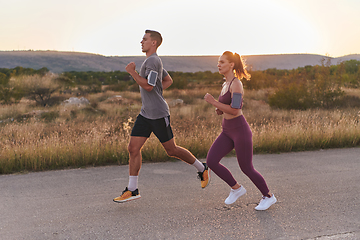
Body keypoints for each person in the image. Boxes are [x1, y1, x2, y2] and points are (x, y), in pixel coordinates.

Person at [113, 30, 210, 203]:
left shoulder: (153, 60)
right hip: (145, 114)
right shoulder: (153, 61)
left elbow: (149, 86)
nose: (141, 41)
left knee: (171, 150)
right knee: (133, 149)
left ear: (154, 43)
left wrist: (132, 73)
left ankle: (202, 167)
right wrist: (156, 91)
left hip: (158, 114)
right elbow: (167, 80)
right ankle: (133, 189)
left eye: (145, 39)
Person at [204, 51, 276, 211]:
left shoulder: (236, 84)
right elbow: (227, 108)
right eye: (218, 62)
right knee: (211, 161)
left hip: (240, 130)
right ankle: (236, 188)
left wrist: (214, 102)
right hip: (227, 130)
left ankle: (268, 196)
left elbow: (235, 110)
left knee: (247, 168)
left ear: (231, 65)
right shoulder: (225, 84)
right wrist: (219, 109)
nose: (219, 64)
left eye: (222, 62)